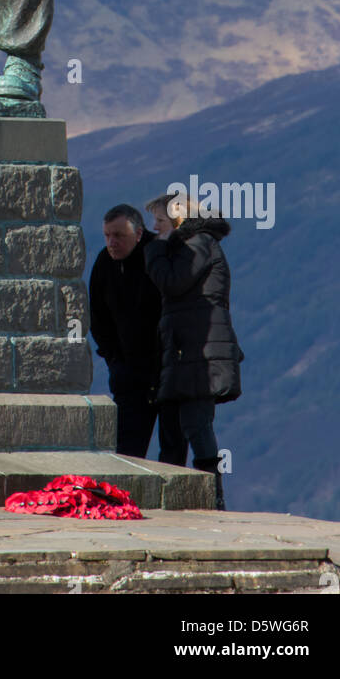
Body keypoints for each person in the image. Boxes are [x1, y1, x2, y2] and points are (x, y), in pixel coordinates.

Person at [144, 191, 244, 510]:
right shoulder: (194, 245)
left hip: (200, 350)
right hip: (189, 348)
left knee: (196, 422)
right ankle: (185, 496)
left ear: (177, 221)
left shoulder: (198, 244)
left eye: (160, 221)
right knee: (178, 423)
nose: (155, 229)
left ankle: (211, 495)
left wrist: (156, 250)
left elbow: (173, 282)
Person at [89, 205, 187, 464]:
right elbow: (97, 319)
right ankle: (122, 503)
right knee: (126, 454)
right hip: (129, 376)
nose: (112, 242)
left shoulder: (160, 256)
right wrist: (114, 361)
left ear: (139, 233)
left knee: (173, 452)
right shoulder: (104, 264)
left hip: (169, 371)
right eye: (107, 235)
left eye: (119, 235)